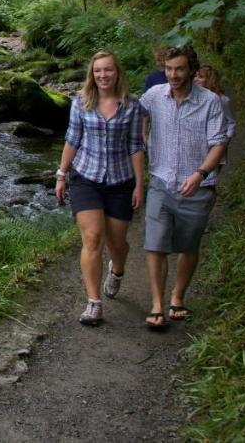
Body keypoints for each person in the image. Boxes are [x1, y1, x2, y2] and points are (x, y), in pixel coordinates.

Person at [139, 45, 228, 330]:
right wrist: (141, 140)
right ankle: (156, 303)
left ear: (191, 69)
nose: (173, 75)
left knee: (188, 245)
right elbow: (132, 113)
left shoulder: (210, 101)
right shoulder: (154, 96)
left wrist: (201, 174)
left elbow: (219, 143)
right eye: (168, 69)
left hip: (197, 185)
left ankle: (177, 298)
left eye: (179, 69)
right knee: (155, 243)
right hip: (161, 181)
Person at [56, 50, 146, 326]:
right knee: (93, 237)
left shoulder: (132, 106)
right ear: (91, 75)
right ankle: (94, 303)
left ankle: (117, 271)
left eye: (108, 70)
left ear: (117, 72)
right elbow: (72, 139)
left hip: (120, 181)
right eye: (98, 71)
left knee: (117, 243)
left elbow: (135, 146)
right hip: (86, 178)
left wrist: (140, 184)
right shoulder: (81, 102)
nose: (103, 75)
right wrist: (61, 174)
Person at [195, 65, 236, 142]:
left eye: (200, 77)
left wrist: (226, 140)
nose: (196, 79)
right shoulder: (194, 98)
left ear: (210, 80)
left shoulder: (222, 100)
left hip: (217, 142)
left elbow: (231, 122)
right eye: (195, 76)